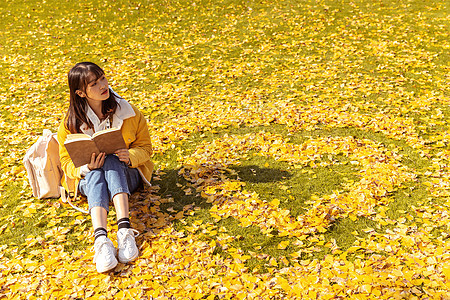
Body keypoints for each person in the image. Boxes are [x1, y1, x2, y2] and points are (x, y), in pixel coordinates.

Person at [57, 62, 154, 273]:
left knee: (111, 160)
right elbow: (65, 162)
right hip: (91, 180)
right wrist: (84, 168)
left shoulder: (128, 112)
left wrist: (130, 156)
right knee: (94, 173)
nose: (103, 85)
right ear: (81, 93)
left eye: (102, 78)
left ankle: (124, 231)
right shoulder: (69, 123)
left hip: (126, 174)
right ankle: (101, 240)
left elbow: (146, 148)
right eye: (94, 83)